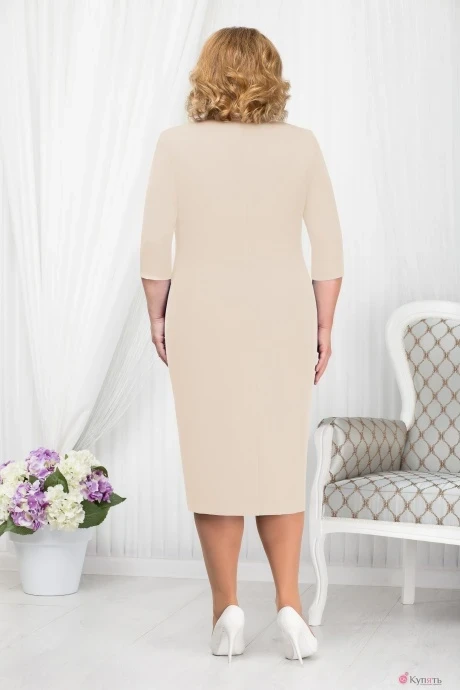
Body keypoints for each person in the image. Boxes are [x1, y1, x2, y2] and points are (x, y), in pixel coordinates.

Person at [140, 26, 343, 664]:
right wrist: (324, 326)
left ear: (206, 73)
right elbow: (328, 245)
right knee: (278, 458)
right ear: (271, 74)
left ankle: (226, 609)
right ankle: (290, 606)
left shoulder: (175, 145)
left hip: (202, 314)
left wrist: (157, 316)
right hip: (282, 314)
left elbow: (154, 245)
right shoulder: (302, 145)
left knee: (215, 459)